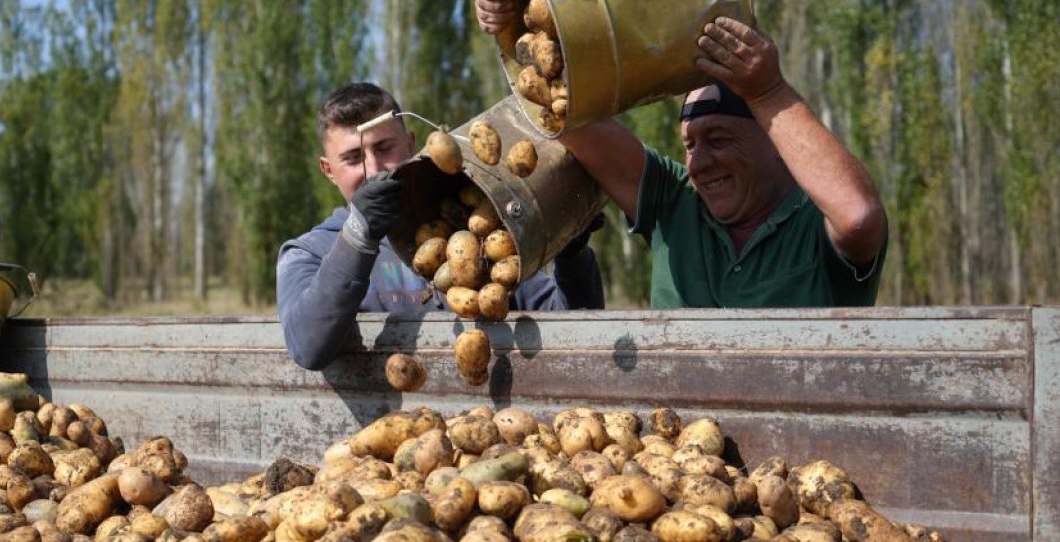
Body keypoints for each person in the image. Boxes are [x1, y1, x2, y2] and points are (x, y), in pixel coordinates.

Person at [475, 4, 888, 308]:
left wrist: (768, 92)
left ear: (775, 141)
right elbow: (563, 113)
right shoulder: (675, 204)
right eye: (690, 144)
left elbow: (860, 216)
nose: (700, 162)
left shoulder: (814, 226)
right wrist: (510, 23)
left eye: (720, 139)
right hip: (675, 428)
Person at [276, 82, 604, 370]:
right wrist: (360, 233)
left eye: (384, 148)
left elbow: (570, 328)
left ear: (411, 144)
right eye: (352, 158)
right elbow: (308, 348)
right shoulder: (309, 253)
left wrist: (571, 253)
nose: (374, 170)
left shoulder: (471, 230)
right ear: (328, 170)